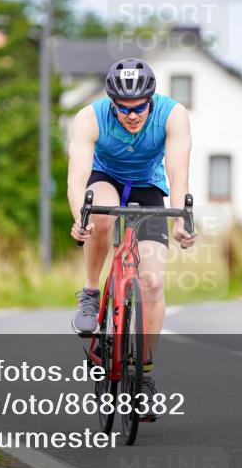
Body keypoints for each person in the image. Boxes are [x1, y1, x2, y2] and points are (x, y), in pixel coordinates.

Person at [67, 58, 197, 419]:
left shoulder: (173, 114)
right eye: (123, 109)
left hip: (149, 188)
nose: (132, 115)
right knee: (102, 218)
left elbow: (177, 170)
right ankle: (91, 292)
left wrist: (182, 220)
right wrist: (81, 216)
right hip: (104, 179)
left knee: (153, 282)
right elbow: (76, 177)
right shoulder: (89, 117)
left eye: (139, 107)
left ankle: (143, 377)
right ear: (111, 102)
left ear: (151, 99)